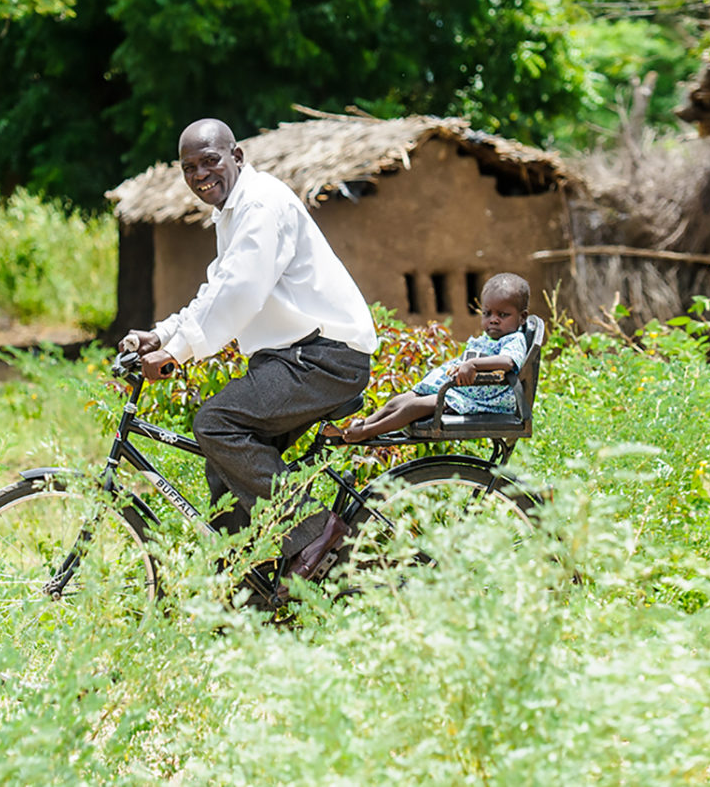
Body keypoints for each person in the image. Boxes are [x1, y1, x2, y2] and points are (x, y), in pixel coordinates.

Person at [118, 118, 379, 594]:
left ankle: (315, 532)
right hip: (295, 357)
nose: (200, 174)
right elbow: (216, 289)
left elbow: (239, 293)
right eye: (189, 167)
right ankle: (249, 591)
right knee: (225, 464)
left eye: (210, 161)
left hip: (325, 357)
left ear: (237, 157)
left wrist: (177, 352)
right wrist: (160, 335)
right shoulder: (235, 212)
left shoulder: (261, 205)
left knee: (215, 424)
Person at [330, 272, 530, 443]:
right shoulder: (489, 339)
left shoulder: (513, 339)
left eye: (503, 315)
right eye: (487, 313)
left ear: (522, 317)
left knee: (414, 407)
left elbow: (508, 362)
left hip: (480, 401)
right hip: (463, 392)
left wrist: (472, 364)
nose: (493, 320)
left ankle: (367, 432)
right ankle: (363, 424)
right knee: (399, 401)